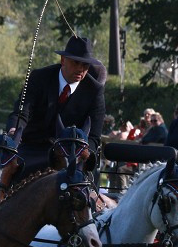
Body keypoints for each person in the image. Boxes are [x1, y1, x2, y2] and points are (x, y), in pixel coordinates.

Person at [7, 35, 106, 176]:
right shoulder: (39, 78)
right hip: (32, 147)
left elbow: (94, 136)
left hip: (70, 154)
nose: (80, 69)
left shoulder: (94, 91)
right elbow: (21, 113)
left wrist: (83, 154)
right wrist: (14, 129)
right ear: (63, 60)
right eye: (75, 63)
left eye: (85, 65)